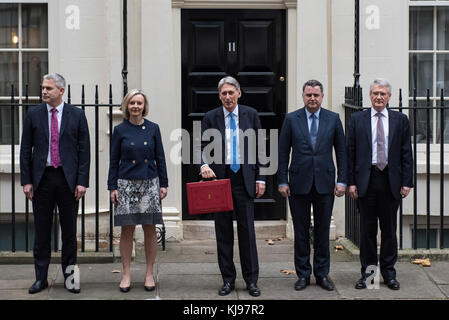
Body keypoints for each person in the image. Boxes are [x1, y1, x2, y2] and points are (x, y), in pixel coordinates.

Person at [20, 73, 90, 294]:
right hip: (42, 180)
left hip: (68, 180)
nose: (44, 92)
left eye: (48, 88)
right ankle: (41, 279)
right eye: (42, 88)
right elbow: (25, 150)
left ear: (61, 91)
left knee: (69, 232)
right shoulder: (34, 114)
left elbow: (85, 151)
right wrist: (26, 181)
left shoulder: (76, 115)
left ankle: (71, 279)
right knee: (41, 232)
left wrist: (82, 182)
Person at [278, 80, 347, 291]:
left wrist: (342, 180)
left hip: (325, 182)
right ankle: (303, 274)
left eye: (316, 95)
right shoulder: (291, 119)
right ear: (303, 96)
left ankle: (322, 273)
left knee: (323, 231)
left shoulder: (333, 119)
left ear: (322, 96)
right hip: (298, 182)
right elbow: (282, 152)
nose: (312, 98)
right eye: (309, 95)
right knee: (300, 231)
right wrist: (282, 180)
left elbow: (342, 152)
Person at [200, 76, 266, 297]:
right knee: (223, 232)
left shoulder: (251, 115)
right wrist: (203, 164)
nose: (227, 97)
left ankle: (251, 280)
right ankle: (228, 279)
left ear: (239, 93)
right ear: (219, 96)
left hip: (245, 180)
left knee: (247, 233)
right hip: (220, 180)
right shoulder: (210, 117)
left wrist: (261, 178)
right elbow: (202, 147)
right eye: (223, 93)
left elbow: (260, 147)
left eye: (231, 92)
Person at [347, 78, 413, 291]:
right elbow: (350, 153)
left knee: (389, 230)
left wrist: (407, 182)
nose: (378, 97)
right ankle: (368, 275)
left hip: (391, 181)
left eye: (383, 94)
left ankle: (389, 274)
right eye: (375, 93)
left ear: (389, 97)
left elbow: (406, 153)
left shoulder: (400, 120)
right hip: (367, 180)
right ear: (370, 95)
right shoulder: (357, 119)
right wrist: (351, 183)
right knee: (367, 231)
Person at [108, 89, 168, 293]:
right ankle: (126, 274)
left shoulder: (153, 128)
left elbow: (160, 157)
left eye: (139, 103)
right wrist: (112, 186)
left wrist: (164, 183)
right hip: (126, 184)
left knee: (150, 229)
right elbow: (113, 160)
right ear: (127, 105)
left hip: (150, 183)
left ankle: (149, 273)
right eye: (132, 103)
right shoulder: (119, 130)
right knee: (127, 230)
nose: (135, 106)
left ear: (144, 106)